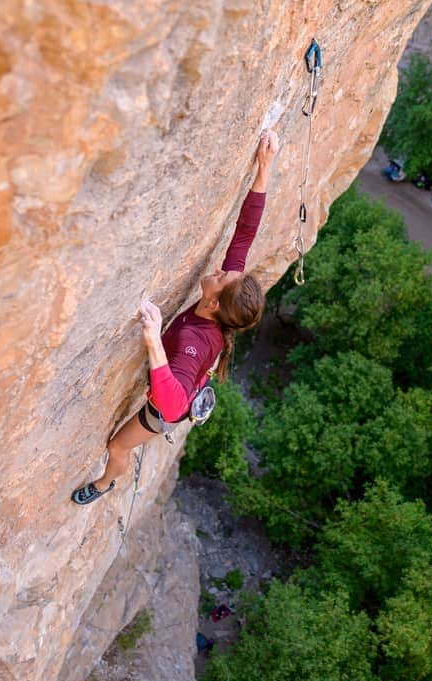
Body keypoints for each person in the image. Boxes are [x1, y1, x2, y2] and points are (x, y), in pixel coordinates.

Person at [72, 130, 280, 505]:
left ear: (214, 304)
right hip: (184, 383)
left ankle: (105, 484)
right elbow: (245, 235)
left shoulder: (192, 342)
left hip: (163, 408)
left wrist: (153, 338)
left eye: (221, 277)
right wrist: (264, 170)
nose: (220, 270)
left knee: (118, 447)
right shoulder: (222, 303)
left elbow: (171, 405)